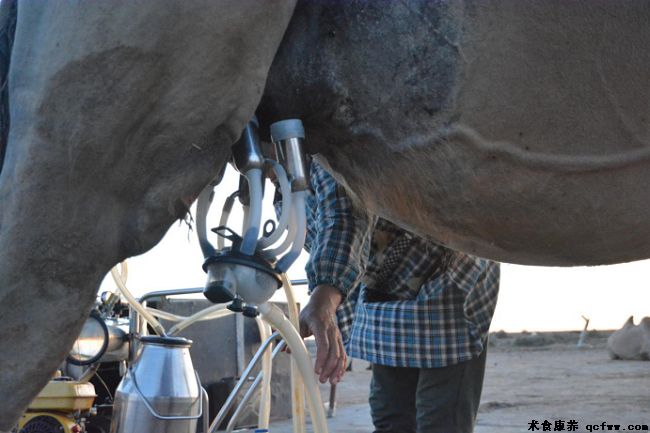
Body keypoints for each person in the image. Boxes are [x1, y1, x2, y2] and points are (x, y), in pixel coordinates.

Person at [296, 159, 500, 433]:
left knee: (441, 420)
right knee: (391, 417)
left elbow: (345, 217)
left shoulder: (318, 148)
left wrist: (324, 300)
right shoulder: (277, 178)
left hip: (446, 275)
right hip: (384, 295)